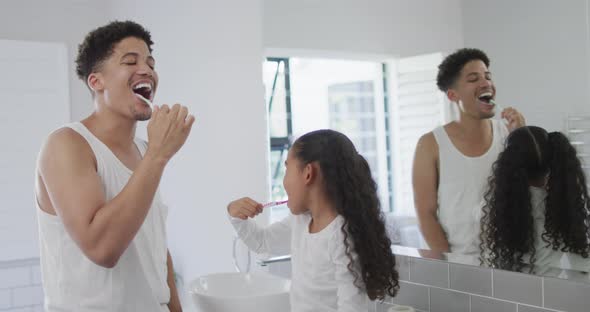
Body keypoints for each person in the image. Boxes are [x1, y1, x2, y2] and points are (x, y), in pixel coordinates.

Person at [35, 20, 194, 311]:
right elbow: (102, 249)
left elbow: (155, 247)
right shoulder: (67, 145)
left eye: (150, 62)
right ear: (96, 81)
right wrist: (158, 156)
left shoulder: (144, 152)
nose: (146, 70)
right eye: (130, 61)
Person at [227, 129, 399, 312]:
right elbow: (262, 242)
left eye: (287, 169)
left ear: (308, 173)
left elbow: (352, 307)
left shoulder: (342, 236)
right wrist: (235, 214)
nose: (283, 181)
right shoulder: (299, 221)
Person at [412, 48, 525, 254]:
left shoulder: (510, 133)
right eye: (473, 79)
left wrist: (521, 138)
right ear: (453, 95)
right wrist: (451, 266)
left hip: (512, 259)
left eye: (487, 76)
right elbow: (425, 213)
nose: (485, 83)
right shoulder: (430, 144)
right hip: (461, 263)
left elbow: (530, 191)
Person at [480, 126, 590, 272]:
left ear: (507, 165)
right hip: (553, 290)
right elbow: (581, 267)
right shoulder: (563, 206)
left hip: (505, 290)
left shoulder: (494, 209)